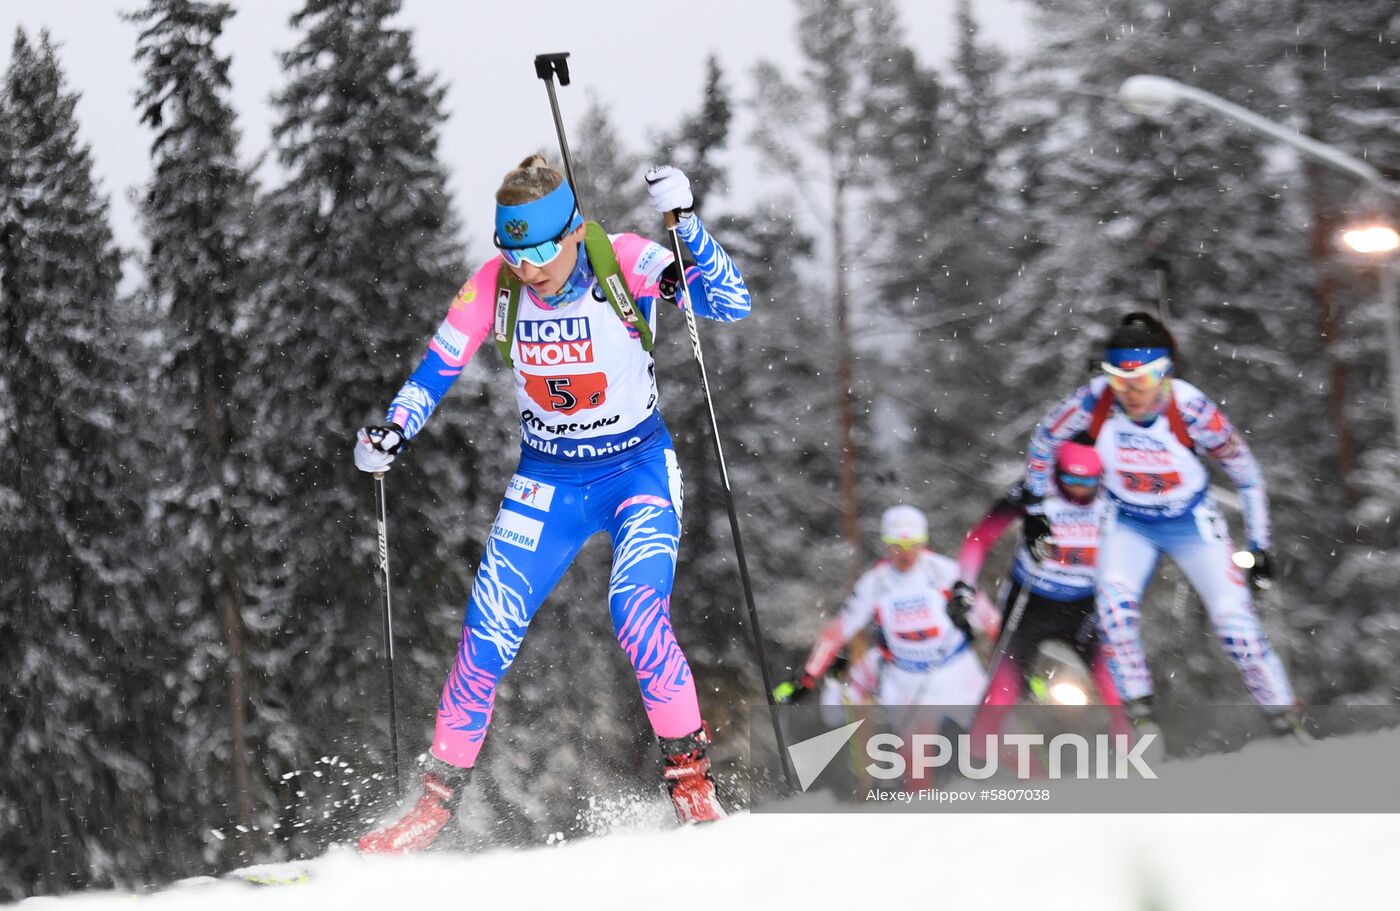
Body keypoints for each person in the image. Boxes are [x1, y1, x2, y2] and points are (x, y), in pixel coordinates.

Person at [352, 156, 752, 851]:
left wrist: (686, 224)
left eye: (542, 248)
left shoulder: (620, 258)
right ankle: (430, 807)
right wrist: (394, 427)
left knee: (636, 611)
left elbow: (727, 301)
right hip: (550, 481)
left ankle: (691, 782)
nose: (530, 266)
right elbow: (439, 363)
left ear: (573, 231)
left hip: (637, 473)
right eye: (515, 249)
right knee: (486, 632)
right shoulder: (495, 285)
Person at [1023, 312, 1302, 737]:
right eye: (1118, 380)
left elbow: (1247, 474)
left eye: (1142, 381)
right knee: (1114, 610)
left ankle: (1284, 717)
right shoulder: (1093, 401)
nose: (1130, 393)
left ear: (1165, 375)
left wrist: (1260, 548)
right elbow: (1044, 441)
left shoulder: (1192, 408)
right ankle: (1141, 717)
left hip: (1190, 523)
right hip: (1129, 522)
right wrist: (1036, 513)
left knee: (1235, 623)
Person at [777, 505, 988, 788]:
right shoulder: (875, 583)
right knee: (917, 775)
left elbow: (992, 620)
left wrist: (973, 623)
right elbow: (837, 631)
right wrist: (807, 677)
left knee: (1010, 742)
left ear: (923, 542)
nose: (904, 553)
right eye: (896, 545)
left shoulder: (945, 571)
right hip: (906, 682)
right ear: (886, 545)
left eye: (911, 544)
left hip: (958, 671)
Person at [953, 437, 1131, 746]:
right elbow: (980, 539)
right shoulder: (1034, 492)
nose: (1079, 489)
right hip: (1031, 601)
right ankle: (975, 762)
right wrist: (964, 585)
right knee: (1003, 691)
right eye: (1071, 480)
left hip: (1085, 605)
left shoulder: (1115, 495)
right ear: (1058, 472)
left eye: (1088, 481)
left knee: (1116, 683)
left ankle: (1137, 754)